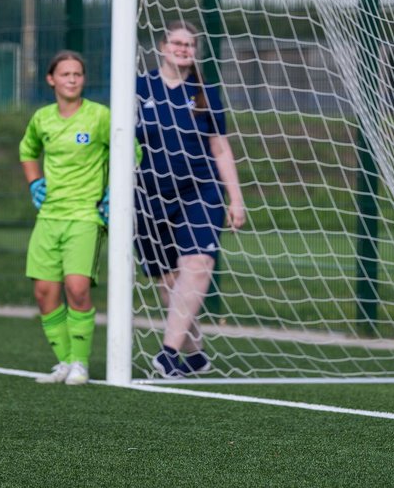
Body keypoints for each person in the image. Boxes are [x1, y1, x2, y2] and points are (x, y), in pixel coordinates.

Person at [136, 21, 246, 378]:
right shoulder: (139, 89)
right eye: (177, 43)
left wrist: (236, 198)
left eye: (190, 44)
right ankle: (195, 355)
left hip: (200, 190)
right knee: (171, 285)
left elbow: (220, 147)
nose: (183, 49)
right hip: (151, 195)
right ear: (162, 46)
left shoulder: (205, 92)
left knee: (198, 267)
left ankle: (167, 355)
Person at [20, 50, 111, 386]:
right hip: (49, 216)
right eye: (65, 74)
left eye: (77, 74)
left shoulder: (100, 116)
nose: (72, 79)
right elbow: (27, 150)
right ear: (51, 79)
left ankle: (81, 364)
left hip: (85, 214)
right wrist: (34, 183)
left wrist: (114, 191)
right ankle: (64, 361)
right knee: (44, 292)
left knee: (77, 288)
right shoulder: (42, 118)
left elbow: (129, 150)